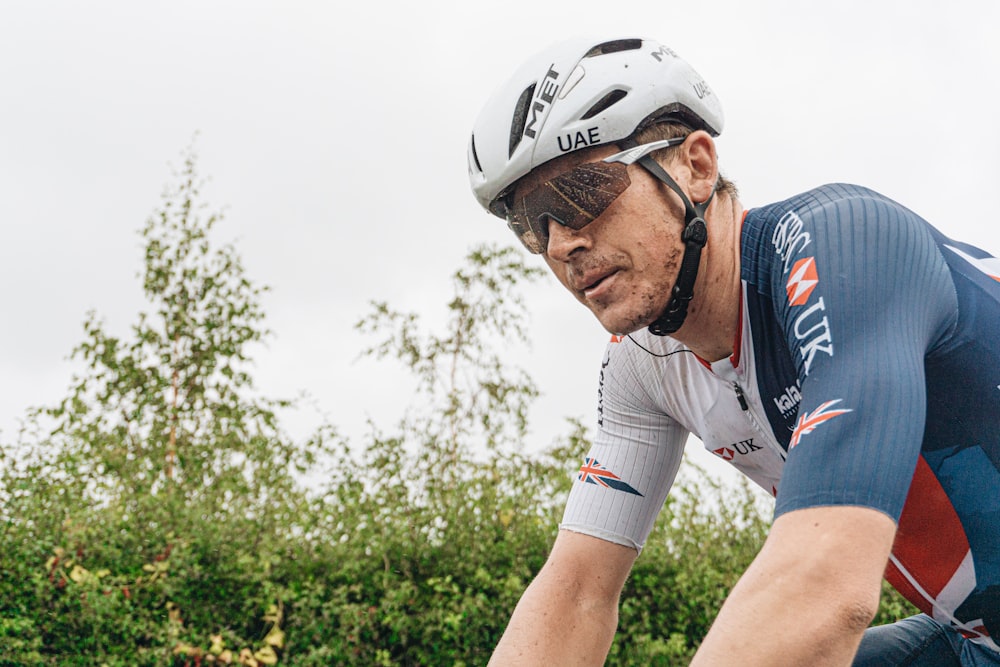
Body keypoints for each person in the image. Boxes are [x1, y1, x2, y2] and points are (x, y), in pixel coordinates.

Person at [466, 36, 1000, 666]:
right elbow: (577, 593)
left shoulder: (846, 245)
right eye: (532, 222)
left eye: (582, 192)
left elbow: (823, 584)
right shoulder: (642, 366)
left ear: (695, 165)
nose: (560, 244)